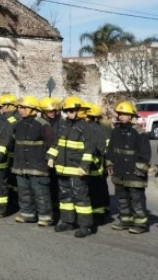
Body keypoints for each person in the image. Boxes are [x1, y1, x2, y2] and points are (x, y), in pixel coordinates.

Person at [47, 96, 95, 238]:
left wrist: (84, 167)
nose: (68, 113)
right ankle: (68, 221)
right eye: (67, 111)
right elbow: (56, 144)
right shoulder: (63, 125)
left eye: (71, 111)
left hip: (76, 170)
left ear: (80, 111)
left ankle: (85, 226)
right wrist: (51, 157)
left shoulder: (86, 128)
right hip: (62, 169)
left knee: (81, 199)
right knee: (65, 197)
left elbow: (89, 150)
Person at [106, 101, 151, 234]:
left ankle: (140, 223)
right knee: (122, 198)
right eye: (120, 114)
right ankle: (125, 220)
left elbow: (145, 153)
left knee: (136, 198)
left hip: (134, 172)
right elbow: (111, 150)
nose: (121, 117)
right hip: (119, 171)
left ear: (131, 115)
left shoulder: (139, 132)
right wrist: (109, 164)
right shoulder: (116, 131)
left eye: (125, 114)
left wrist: (140, 169)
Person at [11, 96, 55, 226]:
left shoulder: (43, 124)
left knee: (40, 192)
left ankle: (45, 217)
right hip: (21, 165)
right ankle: (27, 215)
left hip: (38, 165)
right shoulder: (18, 124)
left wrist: (51, 158)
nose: (20, 110)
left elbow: (52, 144)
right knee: (24, 192)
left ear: (33, 109)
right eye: (19, 108)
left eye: (23, 108)